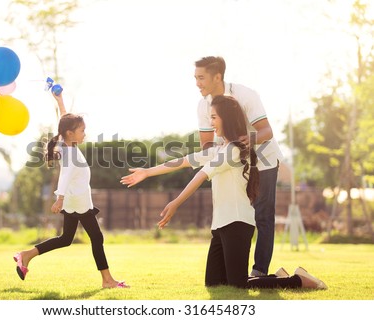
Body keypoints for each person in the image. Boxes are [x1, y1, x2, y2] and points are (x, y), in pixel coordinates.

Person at [121, 95, 326, 289]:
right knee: (214, 283)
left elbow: (201, 175)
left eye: (213, 117)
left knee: (238, 284)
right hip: (220, 225)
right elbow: (183, 161)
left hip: (237, 223)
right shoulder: (219, 149)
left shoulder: (233, 150)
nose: (211, 123)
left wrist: (175, 203)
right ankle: (277, 277)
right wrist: (147, 172)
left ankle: (298, 281)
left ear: (226, 119)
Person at [13, 92, 129, 289]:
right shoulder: (70, 153)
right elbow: (65, 176)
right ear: (70, 133)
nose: (85, 133)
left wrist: (59, 101)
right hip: (78, 202)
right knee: (96, 237)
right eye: (82, 130)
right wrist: (59, 199)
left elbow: (64, 121)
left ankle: (26, 255)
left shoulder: (65, 143)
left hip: (75, 200)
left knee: (66, 239)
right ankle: (107, 280)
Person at [195, 56, 284, 277]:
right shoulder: (203, 106)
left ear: (217, 77)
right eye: (195, 78)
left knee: (262, 215)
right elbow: (206, 145)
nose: (197, 83)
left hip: (263, 160)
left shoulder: (245, 95)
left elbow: (266, 131)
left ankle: (259, 270)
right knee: (239, 214)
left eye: (201, 77)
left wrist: (249, 140)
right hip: (235, 164)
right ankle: (234, 269)